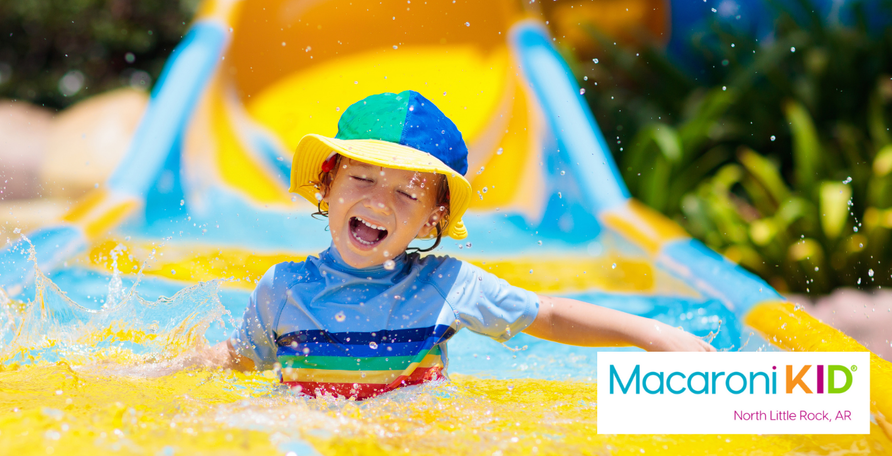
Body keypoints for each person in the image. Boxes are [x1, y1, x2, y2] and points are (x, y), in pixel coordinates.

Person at [193, 90, 713, 398]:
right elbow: (243, 359)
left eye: (406, 192)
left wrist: (649, 335)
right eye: (363, 179)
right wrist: (168, 366)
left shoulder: (446, 286)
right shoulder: (283, 289)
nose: (379, 202)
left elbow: (547, 314)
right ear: (327, 186)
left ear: (430, 220)